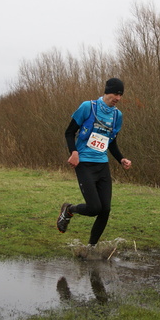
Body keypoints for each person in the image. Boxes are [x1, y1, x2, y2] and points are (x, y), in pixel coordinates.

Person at [56, 77, 132, 246]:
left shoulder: (117, 116)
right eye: (115, 93)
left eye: (120, 95)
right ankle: (69, 210)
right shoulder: (88, 107)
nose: (118, 98)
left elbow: (110, 141)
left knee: (105, 210)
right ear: (106, 91)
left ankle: (91, 247)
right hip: (84, 163)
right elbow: (69, 132)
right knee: (94, 208)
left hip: (102, 165)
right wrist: (73, 152)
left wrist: (121, 159)